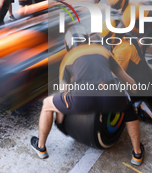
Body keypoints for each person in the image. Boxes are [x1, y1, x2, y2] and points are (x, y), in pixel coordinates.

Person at [31, 25, 145, 166]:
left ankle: (41, 147)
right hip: (111, 95)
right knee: (129, 109)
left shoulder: (68, 58)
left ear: (68, 44)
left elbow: (64, 92)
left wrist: (61, 121)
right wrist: (133, 96)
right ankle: (137, 153)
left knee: (47, 104)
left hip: (83, 99)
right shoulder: (103, 51)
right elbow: (127, 79)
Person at [101, 19, 152, 126]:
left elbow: (115, 76)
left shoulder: (122, 49)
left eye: (106, 37)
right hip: (150, 80)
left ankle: (139, 106)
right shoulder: (126, 39)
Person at [108, 0, 152, 65]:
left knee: (137, 48)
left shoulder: (127, 15)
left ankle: (143, 69)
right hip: (151, 24)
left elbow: (121, 33)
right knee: (142, 44)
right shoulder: (131, 4)